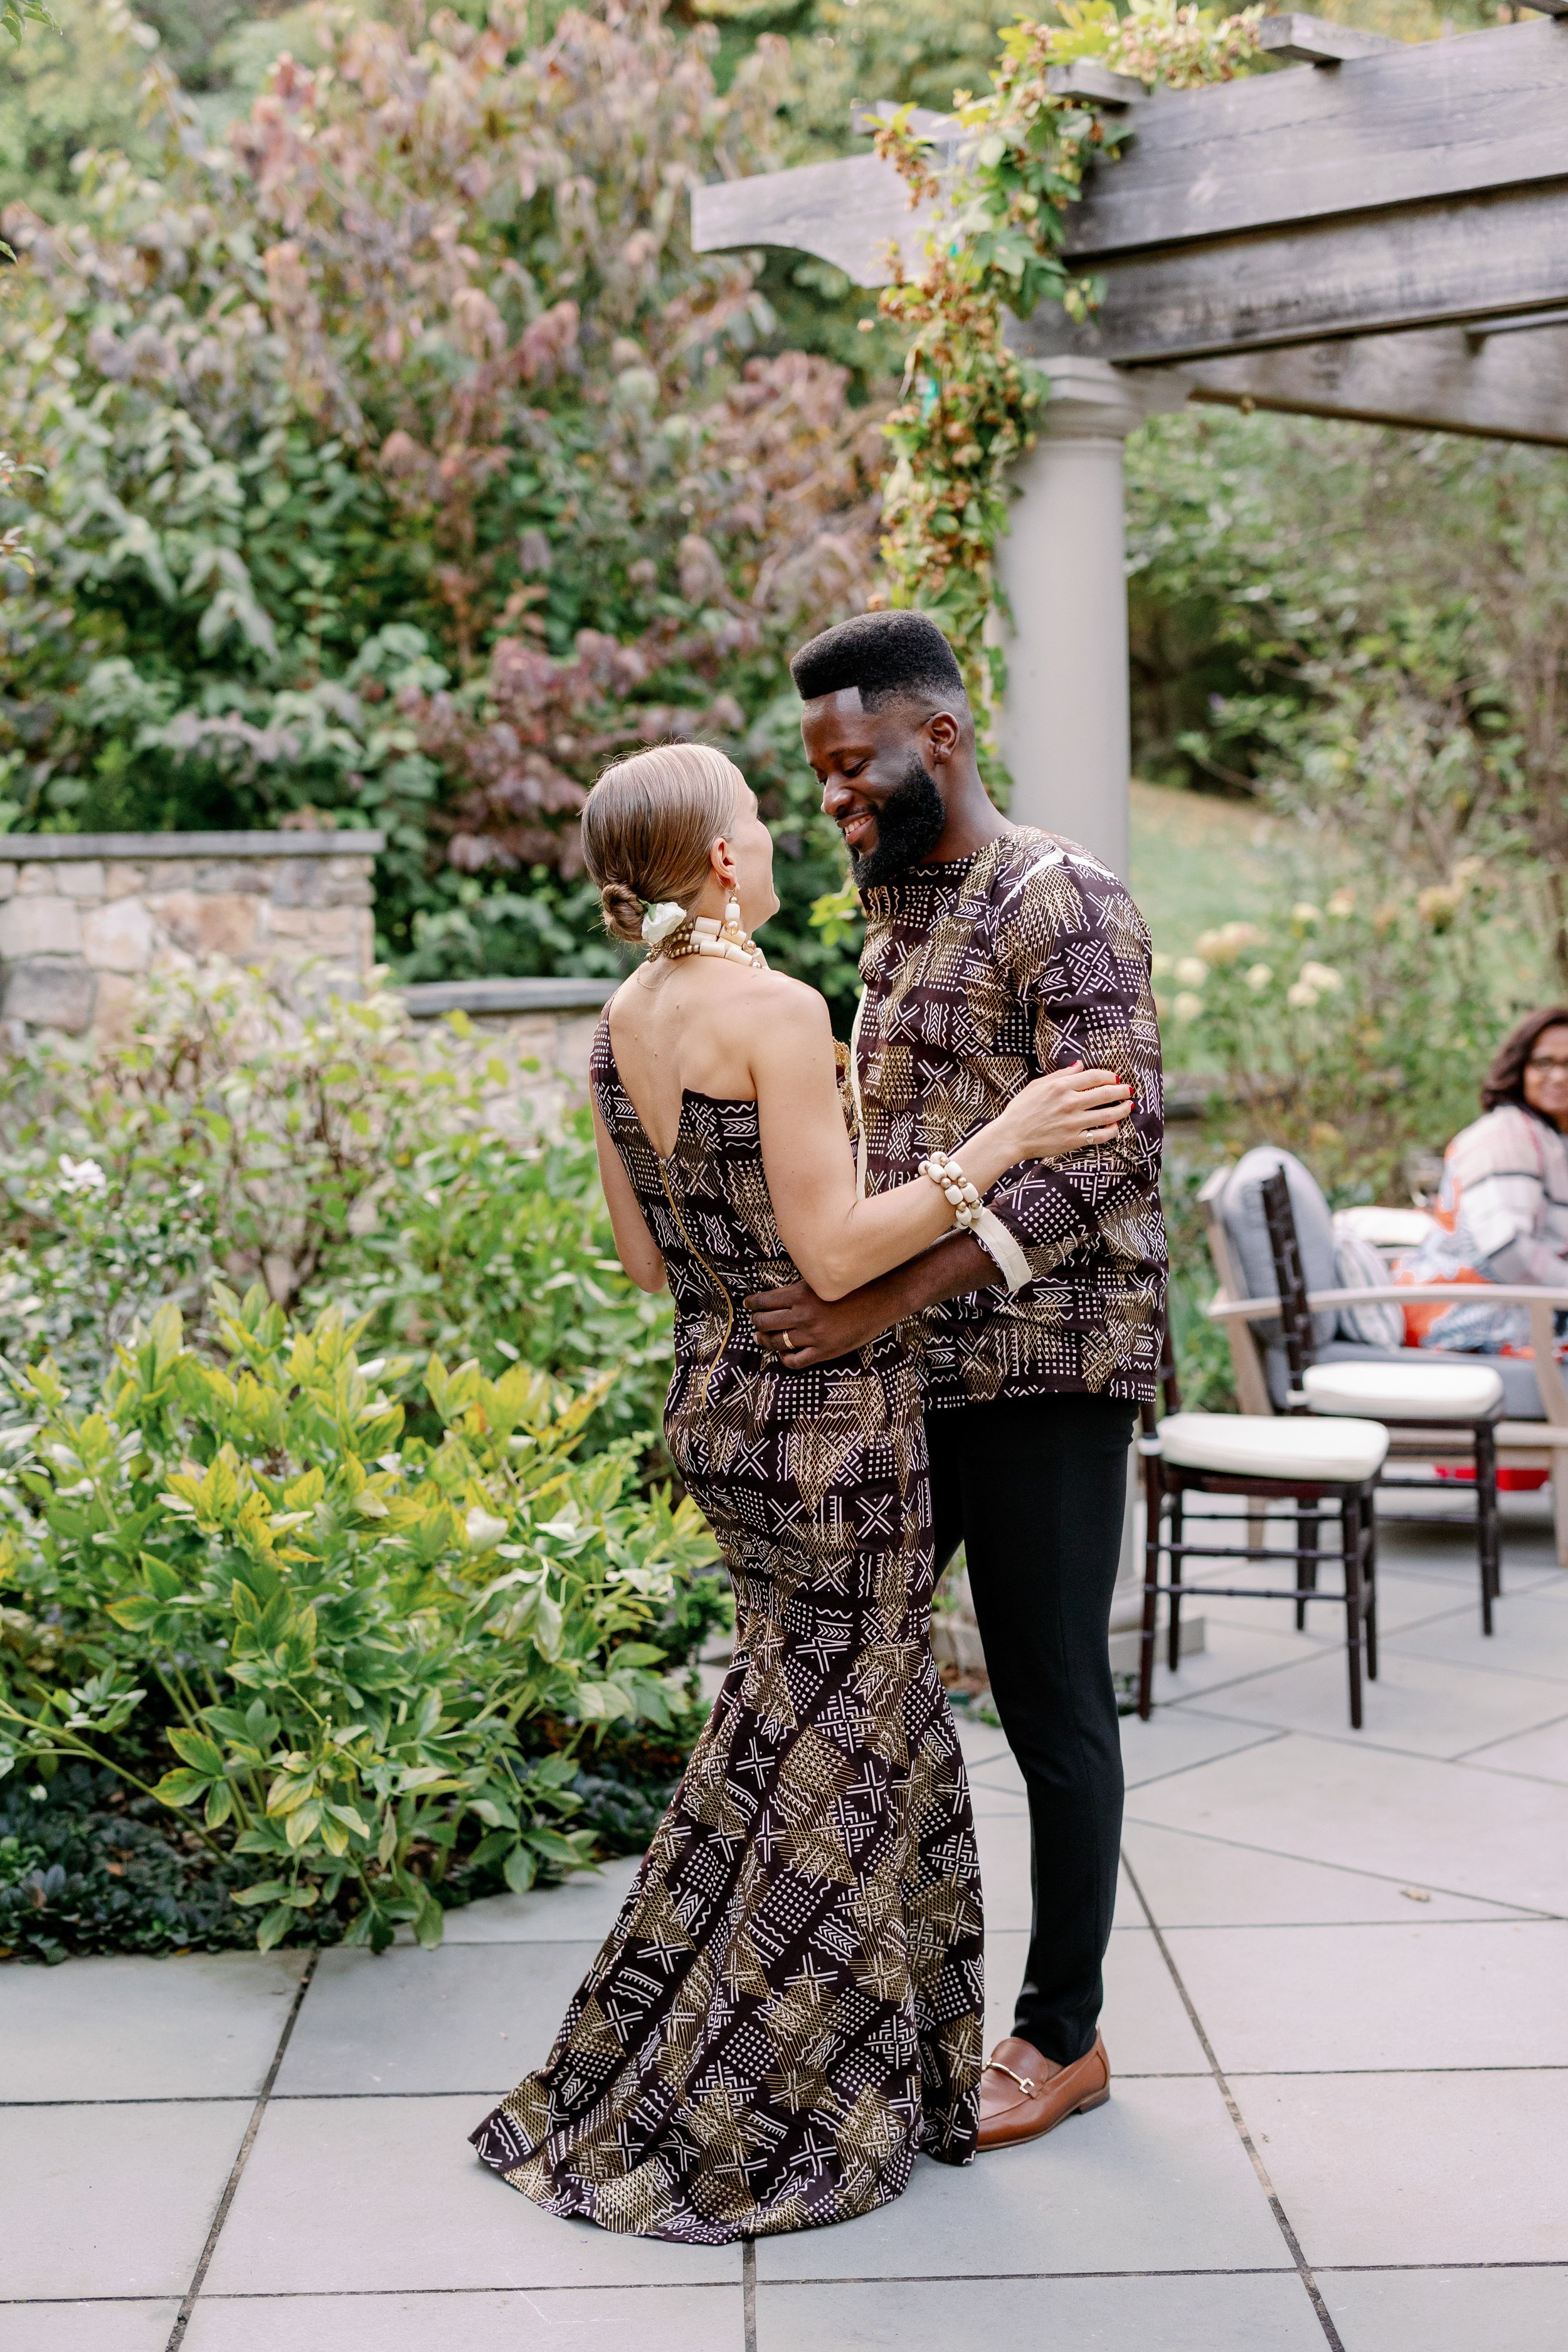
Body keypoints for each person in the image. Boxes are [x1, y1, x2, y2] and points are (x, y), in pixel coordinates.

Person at [470, 740, 1134, 2242]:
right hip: (829, 1418)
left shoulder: (615, 1021)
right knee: (845, 1740)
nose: (777, 838)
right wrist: (1006, 1138)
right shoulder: (776, 1008)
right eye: (759, 823)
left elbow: (650, 1263)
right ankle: (757, 2096)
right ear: (717, 862)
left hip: (712, 1405)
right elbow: (836, 1259)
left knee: (788, 1716)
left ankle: (680, 2049)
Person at [746, 612, 1165, 2153]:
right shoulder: (892, 909)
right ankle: (849, 2002)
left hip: (1053, 1367)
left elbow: (1104, 1158)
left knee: (1052, 1699)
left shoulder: (1071, 903)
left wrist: (878, 1300)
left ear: (942, 737)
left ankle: (1061, 2034)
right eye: (821, 779)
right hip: (907, 1373)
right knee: (842, 1668)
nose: (837, 801)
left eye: (855, 769)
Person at [1399, 1005, 1568, 1356]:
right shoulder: (1505, 1137)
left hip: (1526, 1309)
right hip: (1472, 1318)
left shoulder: (1547, 1138)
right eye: (1544, 1063)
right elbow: (1507, 1253)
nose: (1559, 1076)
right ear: (1519, 1068)